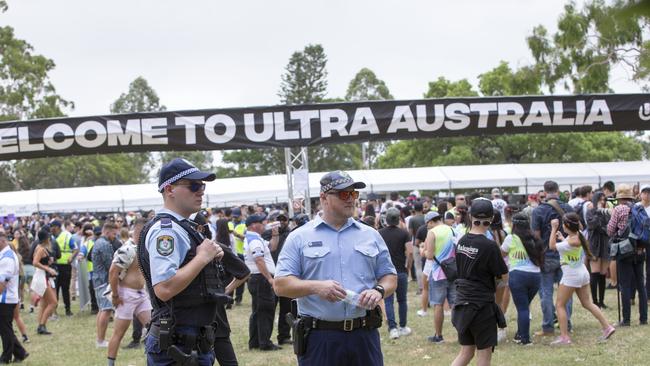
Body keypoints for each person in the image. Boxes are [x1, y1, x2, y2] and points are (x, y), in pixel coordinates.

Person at [274, 170, 397, 366]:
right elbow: (280, 284)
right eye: (343, 194)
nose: (351, 199)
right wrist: (316, 287)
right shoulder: (299, 237)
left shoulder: (370, 235)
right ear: (324, 197)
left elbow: (389, 276)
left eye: (354, 194)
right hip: (320, 338)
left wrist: (379, 291)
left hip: (364, 335)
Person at [138, 158, 224, 366]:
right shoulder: (165, 231)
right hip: (178, 345)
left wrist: (209, 256)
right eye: (193, 185)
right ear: (170, 189)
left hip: (191, 341)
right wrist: (202, 258)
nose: (200, 191)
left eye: (202, 186)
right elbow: (165, 288)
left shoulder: (182, 227)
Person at [451, 198, 508, 366]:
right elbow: (504, 278)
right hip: (481, 306)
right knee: (484, 356)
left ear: (470, 216)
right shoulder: (490, 246)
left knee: (466, 352)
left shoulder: (461, 242)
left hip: (462, 303)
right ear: (491, 219)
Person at [549, 213, 615, 345]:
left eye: (563, 224)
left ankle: (564, 337)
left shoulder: (569, 241)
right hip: (582, 273)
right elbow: (569, 244)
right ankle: (607, 327)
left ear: (567, 226)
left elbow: (552, 246)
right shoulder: (578, 235)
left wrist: (553, 228)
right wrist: (562, 237)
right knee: (588, 303)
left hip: (571, 276)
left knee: (560, 305)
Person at [531, 180, 574, 337]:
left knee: (546, 293)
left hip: (546, 255)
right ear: (558, 190)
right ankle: (567, 324)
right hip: (565, 254)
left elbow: (535, 235)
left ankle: (548, 326)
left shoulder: (538, 211)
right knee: (567, 293)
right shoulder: (567, 207)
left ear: (544, 191)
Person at [106, 219, 152, 366]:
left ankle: (154, 359)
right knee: (119, 333)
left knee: (153, 328)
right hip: (126, 295)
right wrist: (115, 295)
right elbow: (113, 272)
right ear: (139, 232)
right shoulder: (127, 249)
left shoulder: (143, 248)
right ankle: (110, 364)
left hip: (141, 295)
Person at [500, 213, 544, 345]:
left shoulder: (511, 238)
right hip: (535, 276)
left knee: (522, 308)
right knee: (524, 307)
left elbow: (501, 253)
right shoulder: (536, 239)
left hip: (518, 276)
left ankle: (525, 339)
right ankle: (520, 334)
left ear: (514, 224)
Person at [607, 184, 648, 326]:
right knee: (641, 285)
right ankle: (643, 318)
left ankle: (626, 319)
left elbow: (610, 230)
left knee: (625, 285)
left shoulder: (618, 209)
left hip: (625, 250)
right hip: (640, 249)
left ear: (619, 197)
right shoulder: (639, 207)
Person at [244, 212, 280, 351]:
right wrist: (270, 278)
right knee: (266, 310)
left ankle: (255, 342)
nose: (265, 224)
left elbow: (272, 247)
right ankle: (264, 343)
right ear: (254, 225)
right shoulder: (254, 240)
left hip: (257, 278)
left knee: (258, 311)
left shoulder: (254, 238)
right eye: (262, 222)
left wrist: (275, 234)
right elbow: (259, 259)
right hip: (261, 278)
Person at [379, 207, 412, 340]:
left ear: (386, 219)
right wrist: (408, 267)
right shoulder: (404, 233)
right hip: (401, 270)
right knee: (402, 300)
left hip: (386, 272)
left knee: (388, 301)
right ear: (399, 219)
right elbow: (409, 252)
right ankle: (403, 327)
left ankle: (392, 328)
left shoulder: (379, 233)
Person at [423, 209, 456, 344]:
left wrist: (422, 251)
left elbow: (430, 255)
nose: (427, 226)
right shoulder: (452, 230)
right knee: (455, 304)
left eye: (427, 224)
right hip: (453, 271)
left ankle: (439, 335)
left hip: (438, 273)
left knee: (438, 304)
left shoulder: (432, 233)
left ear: (431, 222)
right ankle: (463, 333)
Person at [262, 211, 293, 345]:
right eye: (278, 220)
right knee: (269, 308)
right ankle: (265, 339)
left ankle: (284, 336)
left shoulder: (292, 234)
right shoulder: (266, 234)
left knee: (286, 308)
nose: (281, 222)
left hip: (287, 274)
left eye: (284, 219)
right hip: (271, 274)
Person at [92, 222, 119, 348]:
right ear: (107, 232)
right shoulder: (104, 244)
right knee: (106, 310)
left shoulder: (97, 242)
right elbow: (111, 265)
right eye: (114, 234)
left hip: (98, 280)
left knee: (101, 310)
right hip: (104, 281)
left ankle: (100, 338)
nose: (115, 236)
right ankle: (101, 340)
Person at [586, 192, 611, 308]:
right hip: (594, 244)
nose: (602, 202)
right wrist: (597, 212)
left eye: (604, 199)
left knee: (603, 273)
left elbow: (610, 228)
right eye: (600, 199)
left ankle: (602, 300)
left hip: (605, 244)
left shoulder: (607, 212)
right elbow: (591, 226)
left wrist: (603, 229)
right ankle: (594, 301)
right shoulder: (590, 211)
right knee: (595, 272)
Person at [49, 220, 78, 317]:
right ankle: (54, 311)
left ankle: (68, 310)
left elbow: (75, 249)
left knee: (65, 289)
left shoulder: (67, 235)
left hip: (65, 265)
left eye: (52, 227)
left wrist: (71, 257)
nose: (51, 229)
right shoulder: (51, 237)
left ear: (57, 227)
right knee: (55, 289)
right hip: (54, 266)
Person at [31, 229, 57, 335]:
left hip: (42, 276)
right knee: (53, 302)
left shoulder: (41, 248)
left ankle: (41, 326)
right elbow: (35, 262)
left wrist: (49, 262)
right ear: (45, 238)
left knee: (44, 303)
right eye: (48, 236)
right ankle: (42, 325)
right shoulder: (41, 249)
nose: (50, 238)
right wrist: (48, 268)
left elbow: (39, 261)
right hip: (42, 277)